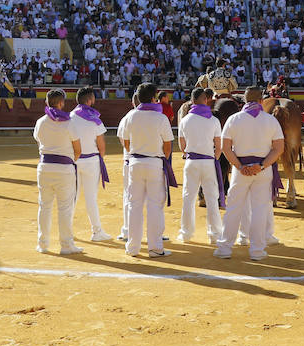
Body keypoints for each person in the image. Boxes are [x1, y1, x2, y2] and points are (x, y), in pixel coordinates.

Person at [214, 86, 285, 262]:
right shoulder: (270, 120)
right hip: (263, 169)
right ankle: (257, 250)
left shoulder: (234, 119)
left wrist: (239, 166)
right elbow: (278, 148)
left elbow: (225, 147)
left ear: (245, 100)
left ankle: (224, 248)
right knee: (260, 209)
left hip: (241, 170)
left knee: (233, 208)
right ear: (261, 100)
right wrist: (261, 166)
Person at [119, 83, 175, 258]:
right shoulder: (161, 118)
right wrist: (161, 157)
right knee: (154, 206)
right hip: (154, 163)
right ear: (153, 98)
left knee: (134, 205)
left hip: (134, 162)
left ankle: (132, 248)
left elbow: (126, 143)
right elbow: (168, 146)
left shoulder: (131, 116)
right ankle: (155, 248)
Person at [32, 88, 83, 255]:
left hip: (45, 167)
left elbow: (38, 141)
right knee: (64, 208)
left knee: (44, 206)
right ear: (61, 103)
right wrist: (69, 162)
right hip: (64, 168)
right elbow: (78, 150)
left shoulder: (40, 122)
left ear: (47, 103)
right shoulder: (69, 123)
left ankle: (43, 244)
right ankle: (66, 245)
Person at [177, 87, 224, 243]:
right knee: (212, 198)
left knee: (188, 198)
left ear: (192, 100)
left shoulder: (184, 120)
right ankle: (215, 235)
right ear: (205, 100)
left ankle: (186, 234)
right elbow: (219, 146)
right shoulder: (214, 120)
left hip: (191, 162)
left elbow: (182, 147)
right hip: (208, 161)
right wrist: (214, 158)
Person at [70, 86, 114, 241]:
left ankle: (67, 231)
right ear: (89, 100)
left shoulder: (69, 117)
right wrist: (98, 158)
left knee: (71, 198)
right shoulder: (95, 119)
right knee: (91, 199)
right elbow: (102, 146)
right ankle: (97, 232)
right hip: (91, 161)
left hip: (73, 162)